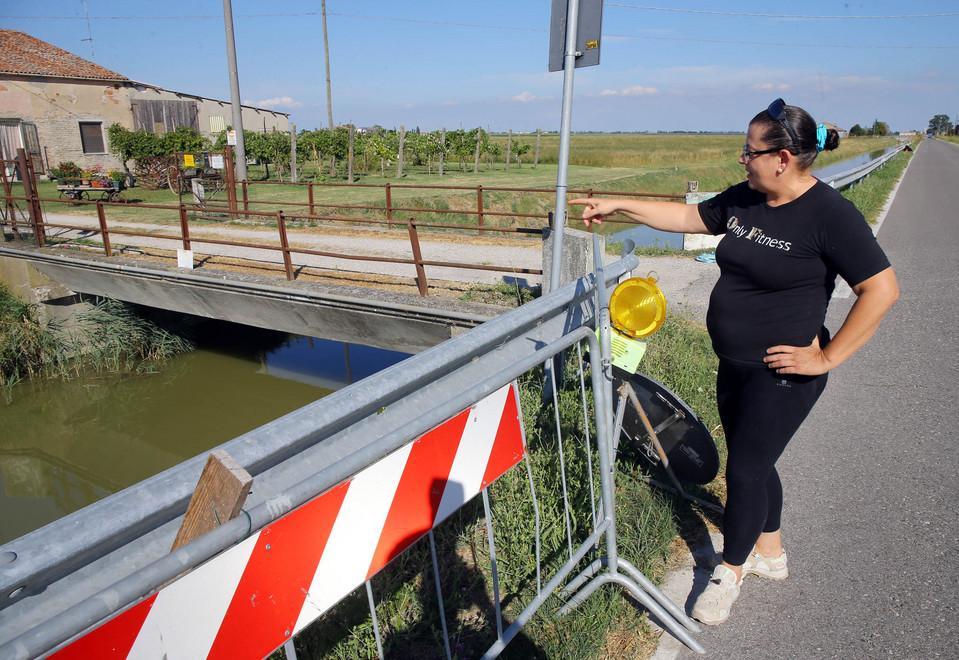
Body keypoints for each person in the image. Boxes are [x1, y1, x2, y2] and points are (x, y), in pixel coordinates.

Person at [570, 98, 899, 625]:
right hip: (734, 364)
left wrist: (826, 357)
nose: (742, 159)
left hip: (785, 374)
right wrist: (618, 204)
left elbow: (881, 289)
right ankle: (771, 554)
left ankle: (730, 570)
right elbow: (689, 216)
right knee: (755, 461)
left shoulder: (829, 215)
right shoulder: (748, 197)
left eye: (750, 151)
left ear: (784, 158)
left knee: (745, 470)